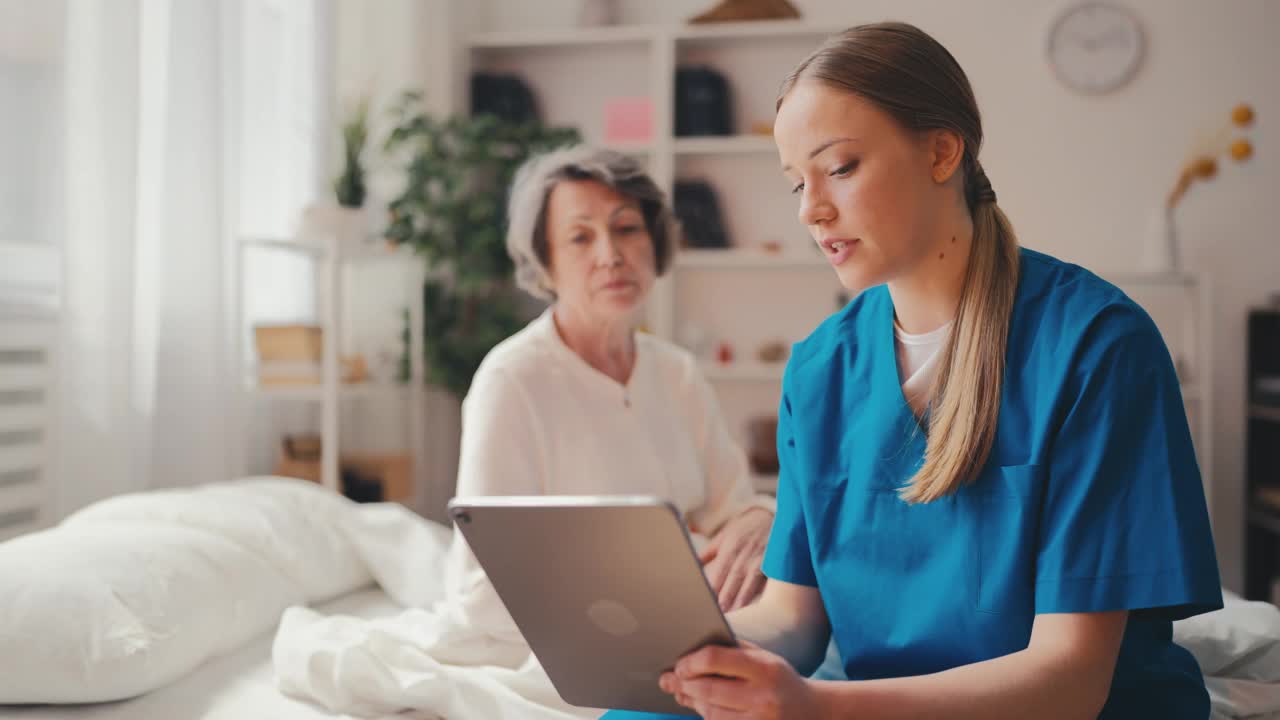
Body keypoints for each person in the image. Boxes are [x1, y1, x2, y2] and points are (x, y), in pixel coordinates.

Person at [608, 21, 1222, 720]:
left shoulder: (1096, 348)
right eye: (794, 184)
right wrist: (692, 660)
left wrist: (819, 709)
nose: (812, 209)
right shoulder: (819, 369)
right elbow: (792, 619)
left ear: (941, 150)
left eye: (838, 168)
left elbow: (1071, 680)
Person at [445, 145, 777, 652]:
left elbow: (733, 509)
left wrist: (759, 516)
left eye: (626, 228)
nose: (611, 255)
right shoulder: (511, 380)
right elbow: (482, 585)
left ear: (655, 242)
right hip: (570, 643)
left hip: (700, 626)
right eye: (580, 237)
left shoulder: (676, 372)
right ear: (547, 264)